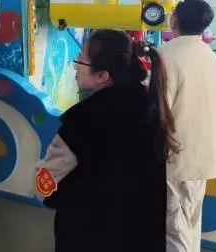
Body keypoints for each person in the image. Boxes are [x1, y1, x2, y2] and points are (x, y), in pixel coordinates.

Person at [36, 29, 177, 252]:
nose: (75, 66)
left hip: (89, 235)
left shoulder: (81, 121)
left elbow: (46, 185)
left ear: (103, 75)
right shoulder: (153, 106)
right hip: (142, 233)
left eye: (81, 60)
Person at [159, 0, 216, 252]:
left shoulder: (166, 56)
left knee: (174, 230)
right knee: (191, 222)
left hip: (178, 158)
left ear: (175, 19)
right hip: (204, 155)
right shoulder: (210, 56)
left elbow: (159, 112)